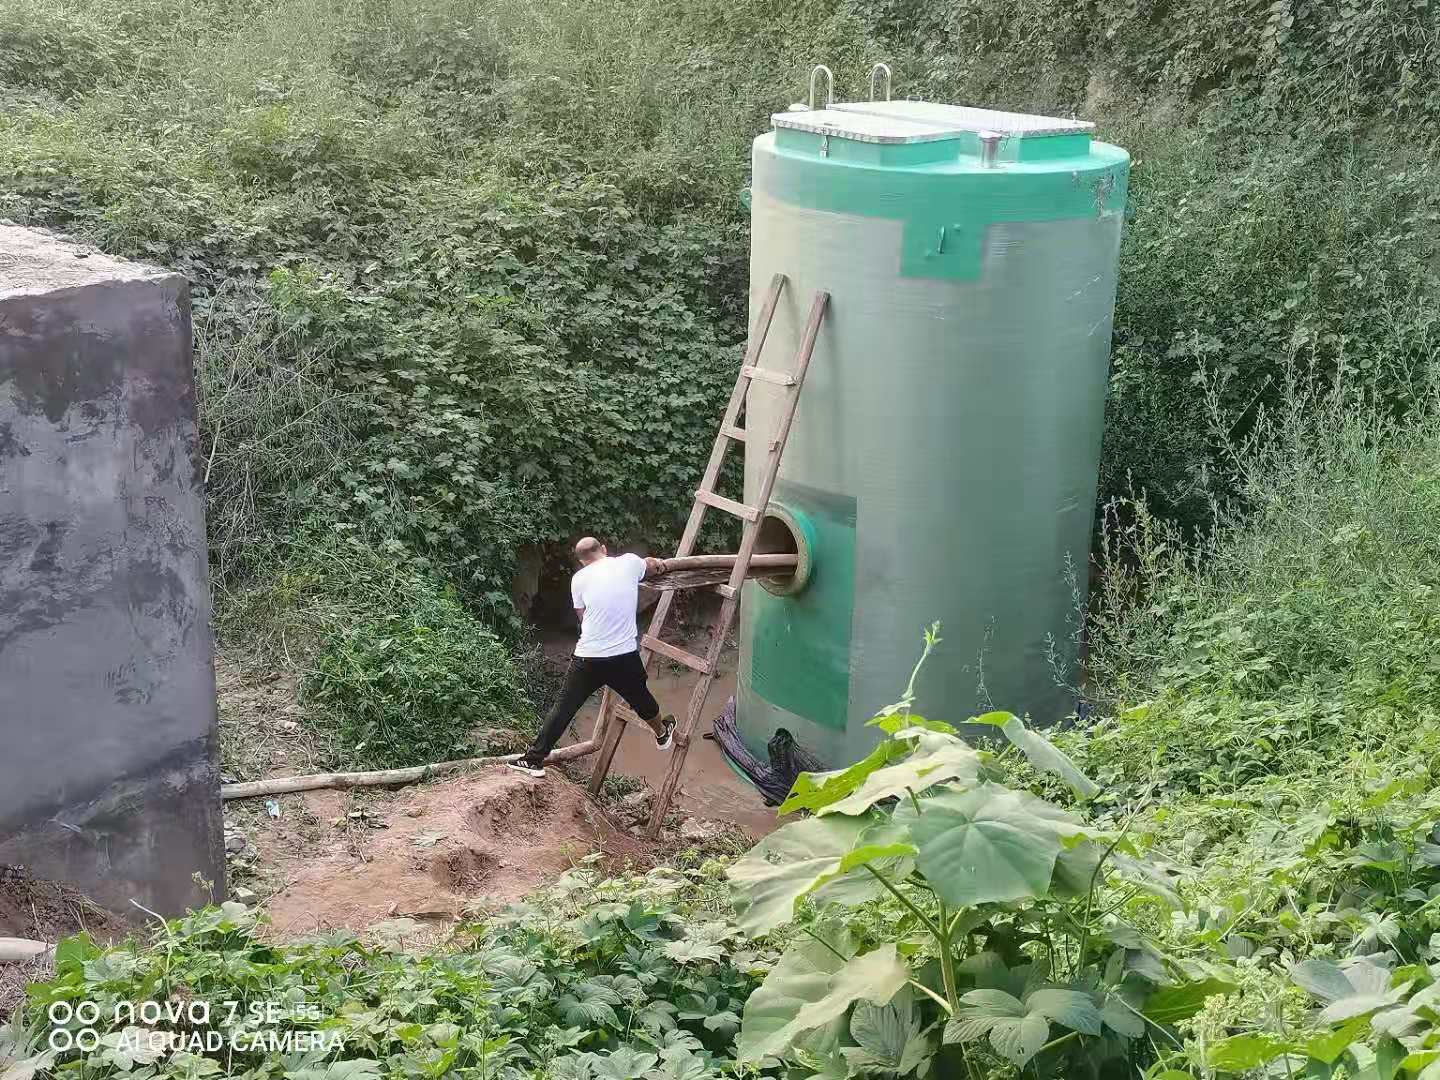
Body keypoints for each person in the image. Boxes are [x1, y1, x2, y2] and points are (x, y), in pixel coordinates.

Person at [508, 537, 676, 778]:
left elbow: (582, 618)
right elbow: (650, 565)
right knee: (641, 697)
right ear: (604, 550)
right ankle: (661, 733)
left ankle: (533, 760)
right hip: (623, 656)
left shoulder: (578, 579)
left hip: (588, 656)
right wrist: (659, 564)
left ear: (581, 561)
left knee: (564, 707)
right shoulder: (628, 563)